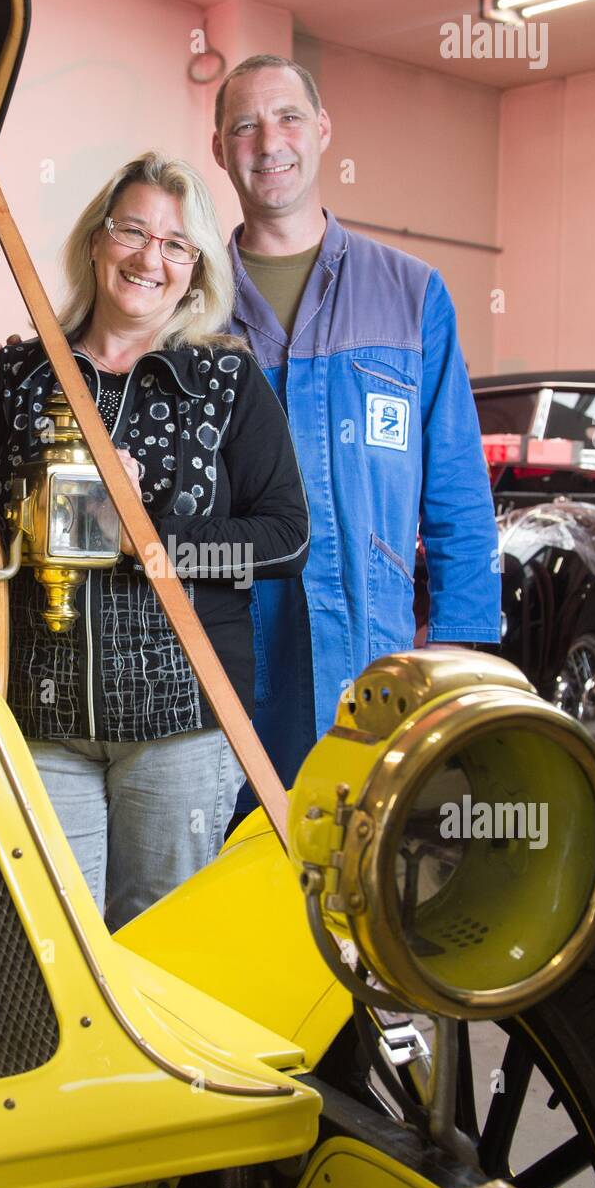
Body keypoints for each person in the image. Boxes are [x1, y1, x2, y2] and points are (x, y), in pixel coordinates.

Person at [0, 151, 308, 929]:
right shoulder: (16, 375)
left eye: (175, 244)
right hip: (39, 718)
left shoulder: (227, 380)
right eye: (133, 231)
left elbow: (284, 536)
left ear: (196, 267)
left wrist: (155, 539)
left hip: (184, 724)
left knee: (161, 943)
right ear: (97, 242)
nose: (150, 258)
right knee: (59, 946)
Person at [210, 54, 501, 803]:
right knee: (230, 884)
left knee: (372, 879)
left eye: (287, 118)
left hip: (375, 670)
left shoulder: (410, 295)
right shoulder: (190, 301)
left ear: (323, 131)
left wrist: (460, 649)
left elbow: (458, 495)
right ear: (219, 149)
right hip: (226, 672)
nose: (268, 141)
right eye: (243, 125)